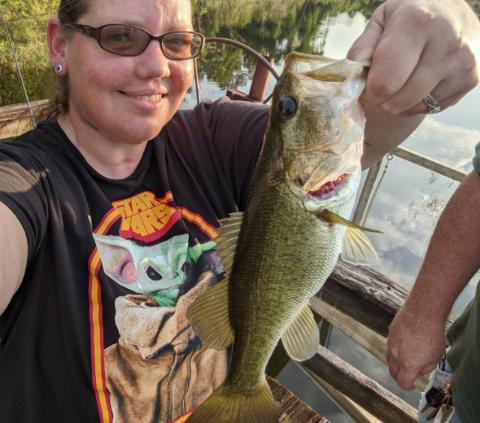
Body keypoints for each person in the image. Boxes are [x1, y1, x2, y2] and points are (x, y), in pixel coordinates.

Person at [0, 0, 478, 422]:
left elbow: (365, 140)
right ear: (60, 45)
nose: (156, 66)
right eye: (121, 37)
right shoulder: (22, 182)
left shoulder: (215, 139)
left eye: (176, 42)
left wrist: (441, 26)